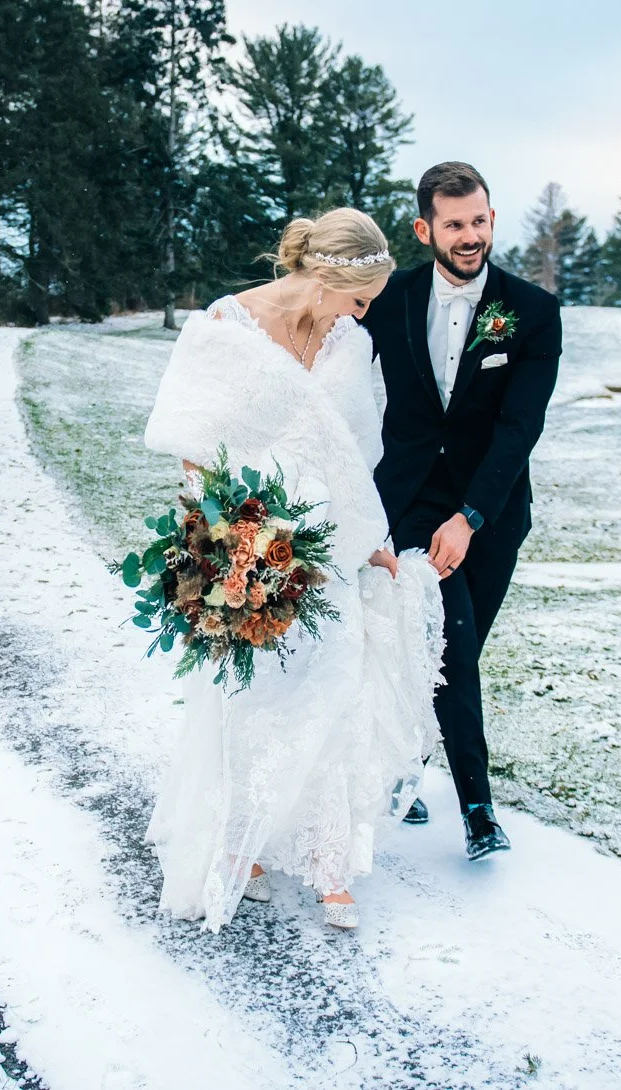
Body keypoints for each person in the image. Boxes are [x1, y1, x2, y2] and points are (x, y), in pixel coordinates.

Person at [143, 208, 446, 931]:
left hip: (330, 548)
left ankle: (329, 863)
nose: (363, 311)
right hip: (248, 538)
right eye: (358, 296)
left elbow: (354, 449)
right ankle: (243, 847)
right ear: (325, 276)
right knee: (252, 699)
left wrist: (369, 535)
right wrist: (225, 540)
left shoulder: (350, 339)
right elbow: (194, 444)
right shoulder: (225, 326)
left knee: (335, 693)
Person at [361, 161, 562, 861]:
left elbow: (519, 428)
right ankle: (478, 809)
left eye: (480, 220)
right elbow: (320, 322)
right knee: (446, 635)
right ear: (425, 229)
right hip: (413, 502)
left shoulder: (532, 311)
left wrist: (472, 517)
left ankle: (405, 774)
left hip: (493, 511)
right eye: (455, 224)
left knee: (455, 652)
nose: (471, 235)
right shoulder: (390, 298)